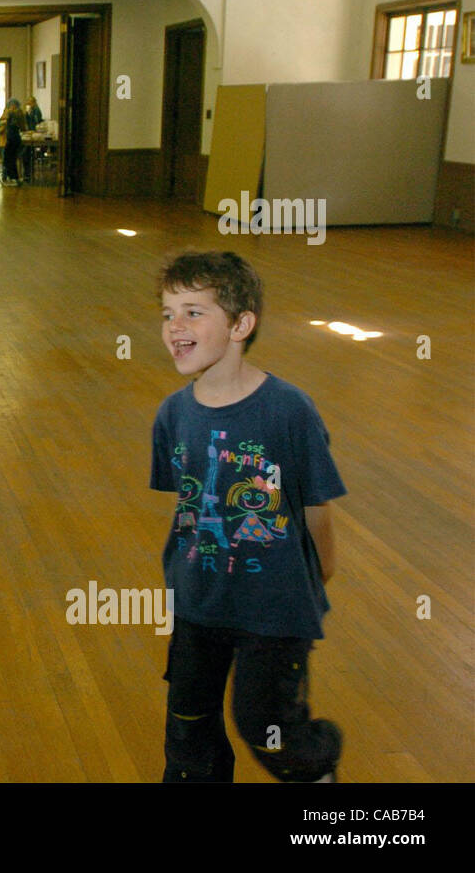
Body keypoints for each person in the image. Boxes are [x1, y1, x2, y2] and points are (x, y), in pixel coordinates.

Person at [151, 250, 345, 783]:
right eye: (168, 313)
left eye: (194, 312)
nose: (175, 327)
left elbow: (315, 507)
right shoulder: (173, 414)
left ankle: (317, 764)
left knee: (265, 725)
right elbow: (189, 503)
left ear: (241, 325)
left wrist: (312, 578)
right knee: (188, 730)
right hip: (198, 603)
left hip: (275, 609)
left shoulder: (288, 410)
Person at [0, 98, 26, 186]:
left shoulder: (12, 113)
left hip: (11, 139)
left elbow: (3, 118)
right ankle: (15, 178)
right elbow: (23, 127)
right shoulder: (20, 113)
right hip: (16, 138)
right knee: (12, 159)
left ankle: (13, 178)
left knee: (8, 159)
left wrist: (7, 112)